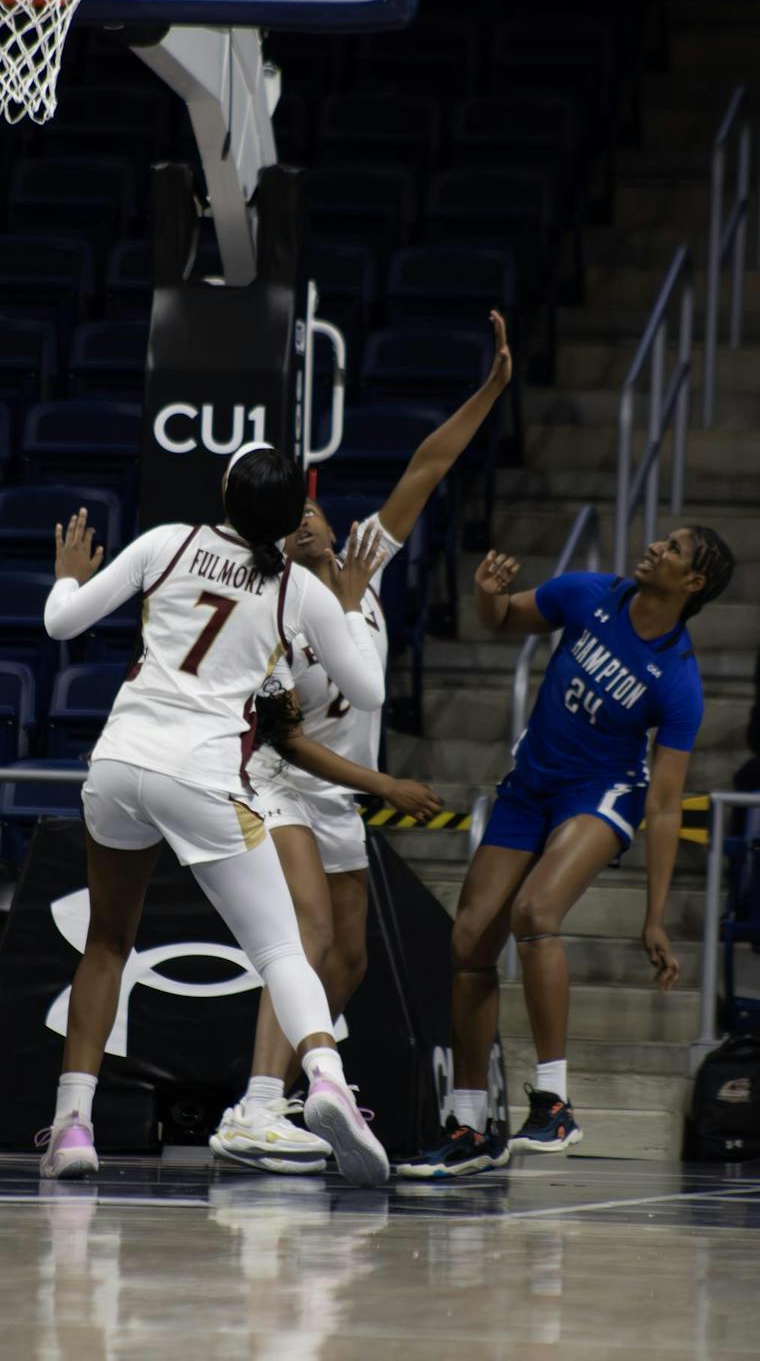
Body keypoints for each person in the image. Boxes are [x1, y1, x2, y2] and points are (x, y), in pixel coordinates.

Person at [38, 443, 393, 1187]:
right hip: (202, 777)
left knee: (106, 943)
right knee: (283, 951)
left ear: (225, 491)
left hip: (120, 762)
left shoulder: (167, 543)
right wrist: (352, 604)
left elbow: (62, 624)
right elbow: (369, 692)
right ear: (291, 519)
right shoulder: (300, 589)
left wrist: (68, 574)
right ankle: (326, 1081)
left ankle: (73, 1126)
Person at [212, 310, 513, 1173]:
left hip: (342, 799)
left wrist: (491, 389)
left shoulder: (366, 565)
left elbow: (428, 465)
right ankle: (255, 1104)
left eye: (312, 508)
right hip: (282, 787)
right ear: (275, 539)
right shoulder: (272, 611)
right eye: (291, 518)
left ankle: (290, 1095)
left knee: (349, 959)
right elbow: (287, 744)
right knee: (307, 941)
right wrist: (387, 786)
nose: (306, 521)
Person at [397, 525, 735, 1179]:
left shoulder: (678, 678)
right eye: (662, 541)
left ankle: (553, 1103)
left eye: (673, 550)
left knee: (535, 910)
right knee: (468, 944)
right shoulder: (589, 594)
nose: (656, 548)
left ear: (693, 583)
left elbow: (666, 804)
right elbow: (504, 620)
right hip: (530, 787)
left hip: (602, 793)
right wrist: (487, 594)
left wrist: (655, 916)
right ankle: (469, 1126)